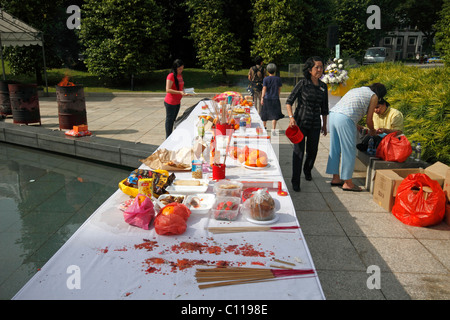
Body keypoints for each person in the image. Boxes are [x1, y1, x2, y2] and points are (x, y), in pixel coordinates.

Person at [326, 83, 387, 192]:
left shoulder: (356, 90)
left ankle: (335, 178)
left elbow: (349, 107)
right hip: (345, 118)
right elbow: (369, 120)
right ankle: (348, 183)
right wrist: (372, 131)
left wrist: (355, 124)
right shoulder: (374, 96)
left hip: (333, 115)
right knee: (349, 151)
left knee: (335, 148)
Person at [285, 56, 329, 192]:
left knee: (313, 151)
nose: (320, 70)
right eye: (317, 67)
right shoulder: (303, 83)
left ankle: (307, 170)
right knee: (298, 152)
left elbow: (325, 108)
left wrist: (324, 125)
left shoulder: (323, 87)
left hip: (315, 124)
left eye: (321, 67)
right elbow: (289, 101)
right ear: (310, 69)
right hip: (301, 123)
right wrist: (291, 117)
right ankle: (295, 181)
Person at [164, 59, 187, 138]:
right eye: (179, 69)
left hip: (177, 102)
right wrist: (180, 92)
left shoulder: (180, 75)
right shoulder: (171, 75)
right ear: (175, 68)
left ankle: (171, 136)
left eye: (182, 69)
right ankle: (168, 137)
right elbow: (168, 89)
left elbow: (181, 86)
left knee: (173, 120)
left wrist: (186, 91)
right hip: (170, 102)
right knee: (169, 120)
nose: (181, 70)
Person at [260, 63, 284, 132]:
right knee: (274, 114)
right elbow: (279, 89)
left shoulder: (266, 79)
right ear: (275, 71)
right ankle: (273, 129)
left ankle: (264, 126)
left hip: (267, 98)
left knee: (264, 113)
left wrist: (262, 97)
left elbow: (264, 89)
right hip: (275, 98)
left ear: (267, 71)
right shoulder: (278, 79)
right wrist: (277, 95)